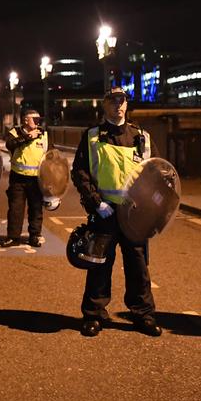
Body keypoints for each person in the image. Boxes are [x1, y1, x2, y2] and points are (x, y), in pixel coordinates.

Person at [71, 87, 162, 338]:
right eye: (113, 102)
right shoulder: (91, 136)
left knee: (138, 265)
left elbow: (154, 172)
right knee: (99, 264)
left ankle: (143, 314)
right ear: (104, 105)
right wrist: (95, 202)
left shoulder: (141, 136)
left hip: (133, 214)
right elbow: (80, 172)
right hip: (105, 212)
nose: (118, 106)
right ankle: (94, 314)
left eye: (122, 101)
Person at [2, 108, 48, 248]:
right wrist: (27, 137)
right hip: (18, 178)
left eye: (39, 119)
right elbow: (10, 144)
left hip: (36, 179)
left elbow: (51, 154)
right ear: (25, 120)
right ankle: (13, 237)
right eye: (34, 119)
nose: (37, 122)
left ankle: (35, 235)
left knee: (36, 209)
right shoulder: (15, 132)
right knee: (16, 208)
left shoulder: (44, 134)